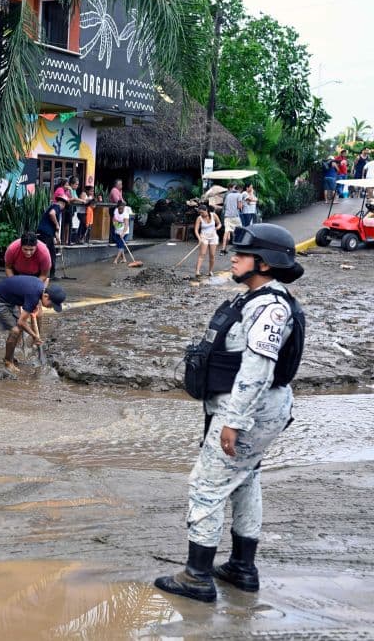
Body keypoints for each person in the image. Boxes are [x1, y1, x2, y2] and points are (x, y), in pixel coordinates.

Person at [155, 223, 305, 603]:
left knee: (206, 486)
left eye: (242, 253)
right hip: (253, 408)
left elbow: (256, 373)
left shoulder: (269, 307)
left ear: (266, 264)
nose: (233, 257)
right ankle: (241, 567)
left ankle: (197, 577)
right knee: (245, 481)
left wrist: (233, 423)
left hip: (249, 411)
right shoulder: (256, 299)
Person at [0, 274, 65, 373]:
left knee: (19, 330)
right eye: (51, 305)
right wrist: (34, 336)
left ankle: (10, 357)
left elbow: (27, 301)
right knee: (15, 330)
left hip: (9, 299)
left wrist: (33, 311)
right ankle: (8, 362)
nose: (51, 308)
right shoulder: (33, 295)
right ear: (46, 296)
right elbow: (21, 322)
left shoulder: (41, 288)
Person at [36, 193, 67, 279]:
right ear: (63, 204)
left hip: (44, 233)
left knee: (49, 253)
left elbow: (55, 229)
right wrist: (57, 224)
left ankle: (49, 273)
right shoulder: (56, 207)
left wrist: (57, 237)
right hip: (46, 234)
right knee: (50, 254)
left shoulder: (55, 208)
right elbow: (51, 214)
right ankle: (50, 274)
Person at [193, 204, 220, 278]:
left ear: (206, 210)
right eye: (199, 213)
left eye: (202, 212)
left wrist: (216, 228)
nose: (201, 214)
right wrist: (199, 239)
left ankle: (210, 271)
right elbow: (196, 230)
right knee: (202, 254)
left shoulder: (213, 215)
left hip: (213, 237)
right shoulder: (199, 218)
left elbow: (219, 224)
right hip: (204, 236)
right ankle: (197, 271)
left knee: (212, 255)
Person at [219, 184, 242, 255]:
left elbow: (225, 205)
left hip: (227, 216)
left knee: (226, 232)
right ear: (240, 189)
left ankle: (223, 250)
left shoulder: (228, 195)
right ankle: (239, 248)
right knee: (240, 231)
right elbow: (239, 206)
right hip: (235, 216)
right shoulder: (239, 195)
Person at [111, 199, 133, 265]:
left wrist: (123, 233)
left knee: (120, 245)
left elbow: (126, 225)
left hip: (125, 231)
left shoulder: (125, 214)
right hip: (118, 230)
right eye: (119, 208)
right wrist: (116, 226)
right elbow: (113, 220)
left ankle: (116, 259)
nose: (121, 210)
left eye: (122, 209)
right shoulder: (116, 210)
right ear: (118, 207)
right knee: (120, 245)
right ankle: (124, 259)